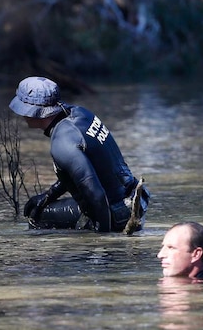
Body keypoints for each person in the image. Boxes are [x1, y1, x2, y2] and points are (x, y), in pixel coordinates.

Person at [10, 76, 150, 233]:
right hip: (133, 203)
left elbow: (96, 195)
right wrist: (48, 196)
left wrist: (103, 244)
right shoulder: (80, 113)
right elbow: (80, 173)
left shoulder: (62, 142)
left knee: (37, 218)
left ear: (31, 110)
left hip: (116, 214)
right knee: (43, 208)